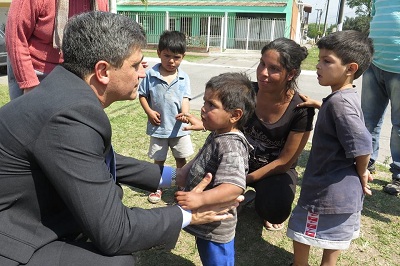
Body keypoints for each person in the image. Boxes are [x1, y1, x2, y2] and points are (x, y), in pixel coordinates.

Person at [0, 11, 242, 266]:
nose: (142, 74)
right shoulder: (69, 115)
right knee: (118, 262)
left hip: (25, 213)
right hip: (13, 236)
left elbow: (94, 159)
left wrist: (174, 177)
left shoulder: (63, 90)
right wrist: (187, 214)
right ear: (103, 71)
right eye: (136, 65)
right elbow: (115, 232)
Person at [179, 38, 315, 231]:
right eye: (262, 64)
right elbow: (227, 120)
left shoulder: (301, 110)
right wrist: (203, 124)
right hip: (237, 161)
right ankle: (237, 198)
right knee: (203, 179)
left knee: (275, 210)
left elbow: (284, 162)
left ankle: (249, 197)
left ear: (291, 74)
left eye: (273, 68)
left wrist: (242, 181)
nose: (263, 73)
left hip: (272, 171)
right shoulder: (247, 91)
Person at [286, 30, 374, 266]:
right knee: (334, 237)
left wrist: (363, 171)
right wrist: (320, 104)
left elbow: (363, 145)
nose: (318, 66)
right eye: (319, 59)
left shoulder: (340, 105)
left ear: (350, 68)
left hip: (327, 190)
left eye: (327, 61)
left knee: (301, 228)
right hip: (343, 193)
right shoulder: (342, 97)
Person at [175, 72, 256, 266]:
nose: (203, 109)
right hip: (205, 222)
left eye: (212, 105)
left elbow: (234, 187)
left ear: (235, 115)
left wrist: (199, 198)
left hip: (216, 227)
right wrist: (185, 172)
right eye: (205, 102)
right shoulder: (219, 133)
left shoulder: (232, 146)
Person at [5, 0, 109, 100]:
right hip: (35, 72)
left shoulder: (99, 2)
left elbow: (100, 43)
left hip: (76, 75)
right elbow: (15, 38)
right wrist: (30, 85)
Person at [138, 30, 194, 203]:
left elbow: (185, 98)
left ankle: (181, 185)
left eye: (176, 57)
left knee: (181, 159)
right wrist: (149, 111)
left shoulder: (184, 77)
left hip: (179, 129)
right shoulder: (150, 75)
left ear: (183, 57)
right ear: (159, 54)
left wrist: (185, 114)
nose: (171, 61)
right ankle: (158, 186)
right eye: (167, 55)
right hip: (159, 128)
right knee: (159, 160)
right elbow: (142, 95)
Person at [361, 0, 400, 196]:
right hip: (374, 64)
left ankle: (398, 174)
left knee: (399, 127)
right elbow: (374, 20)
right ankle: (366, 164)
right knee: (368, 121)